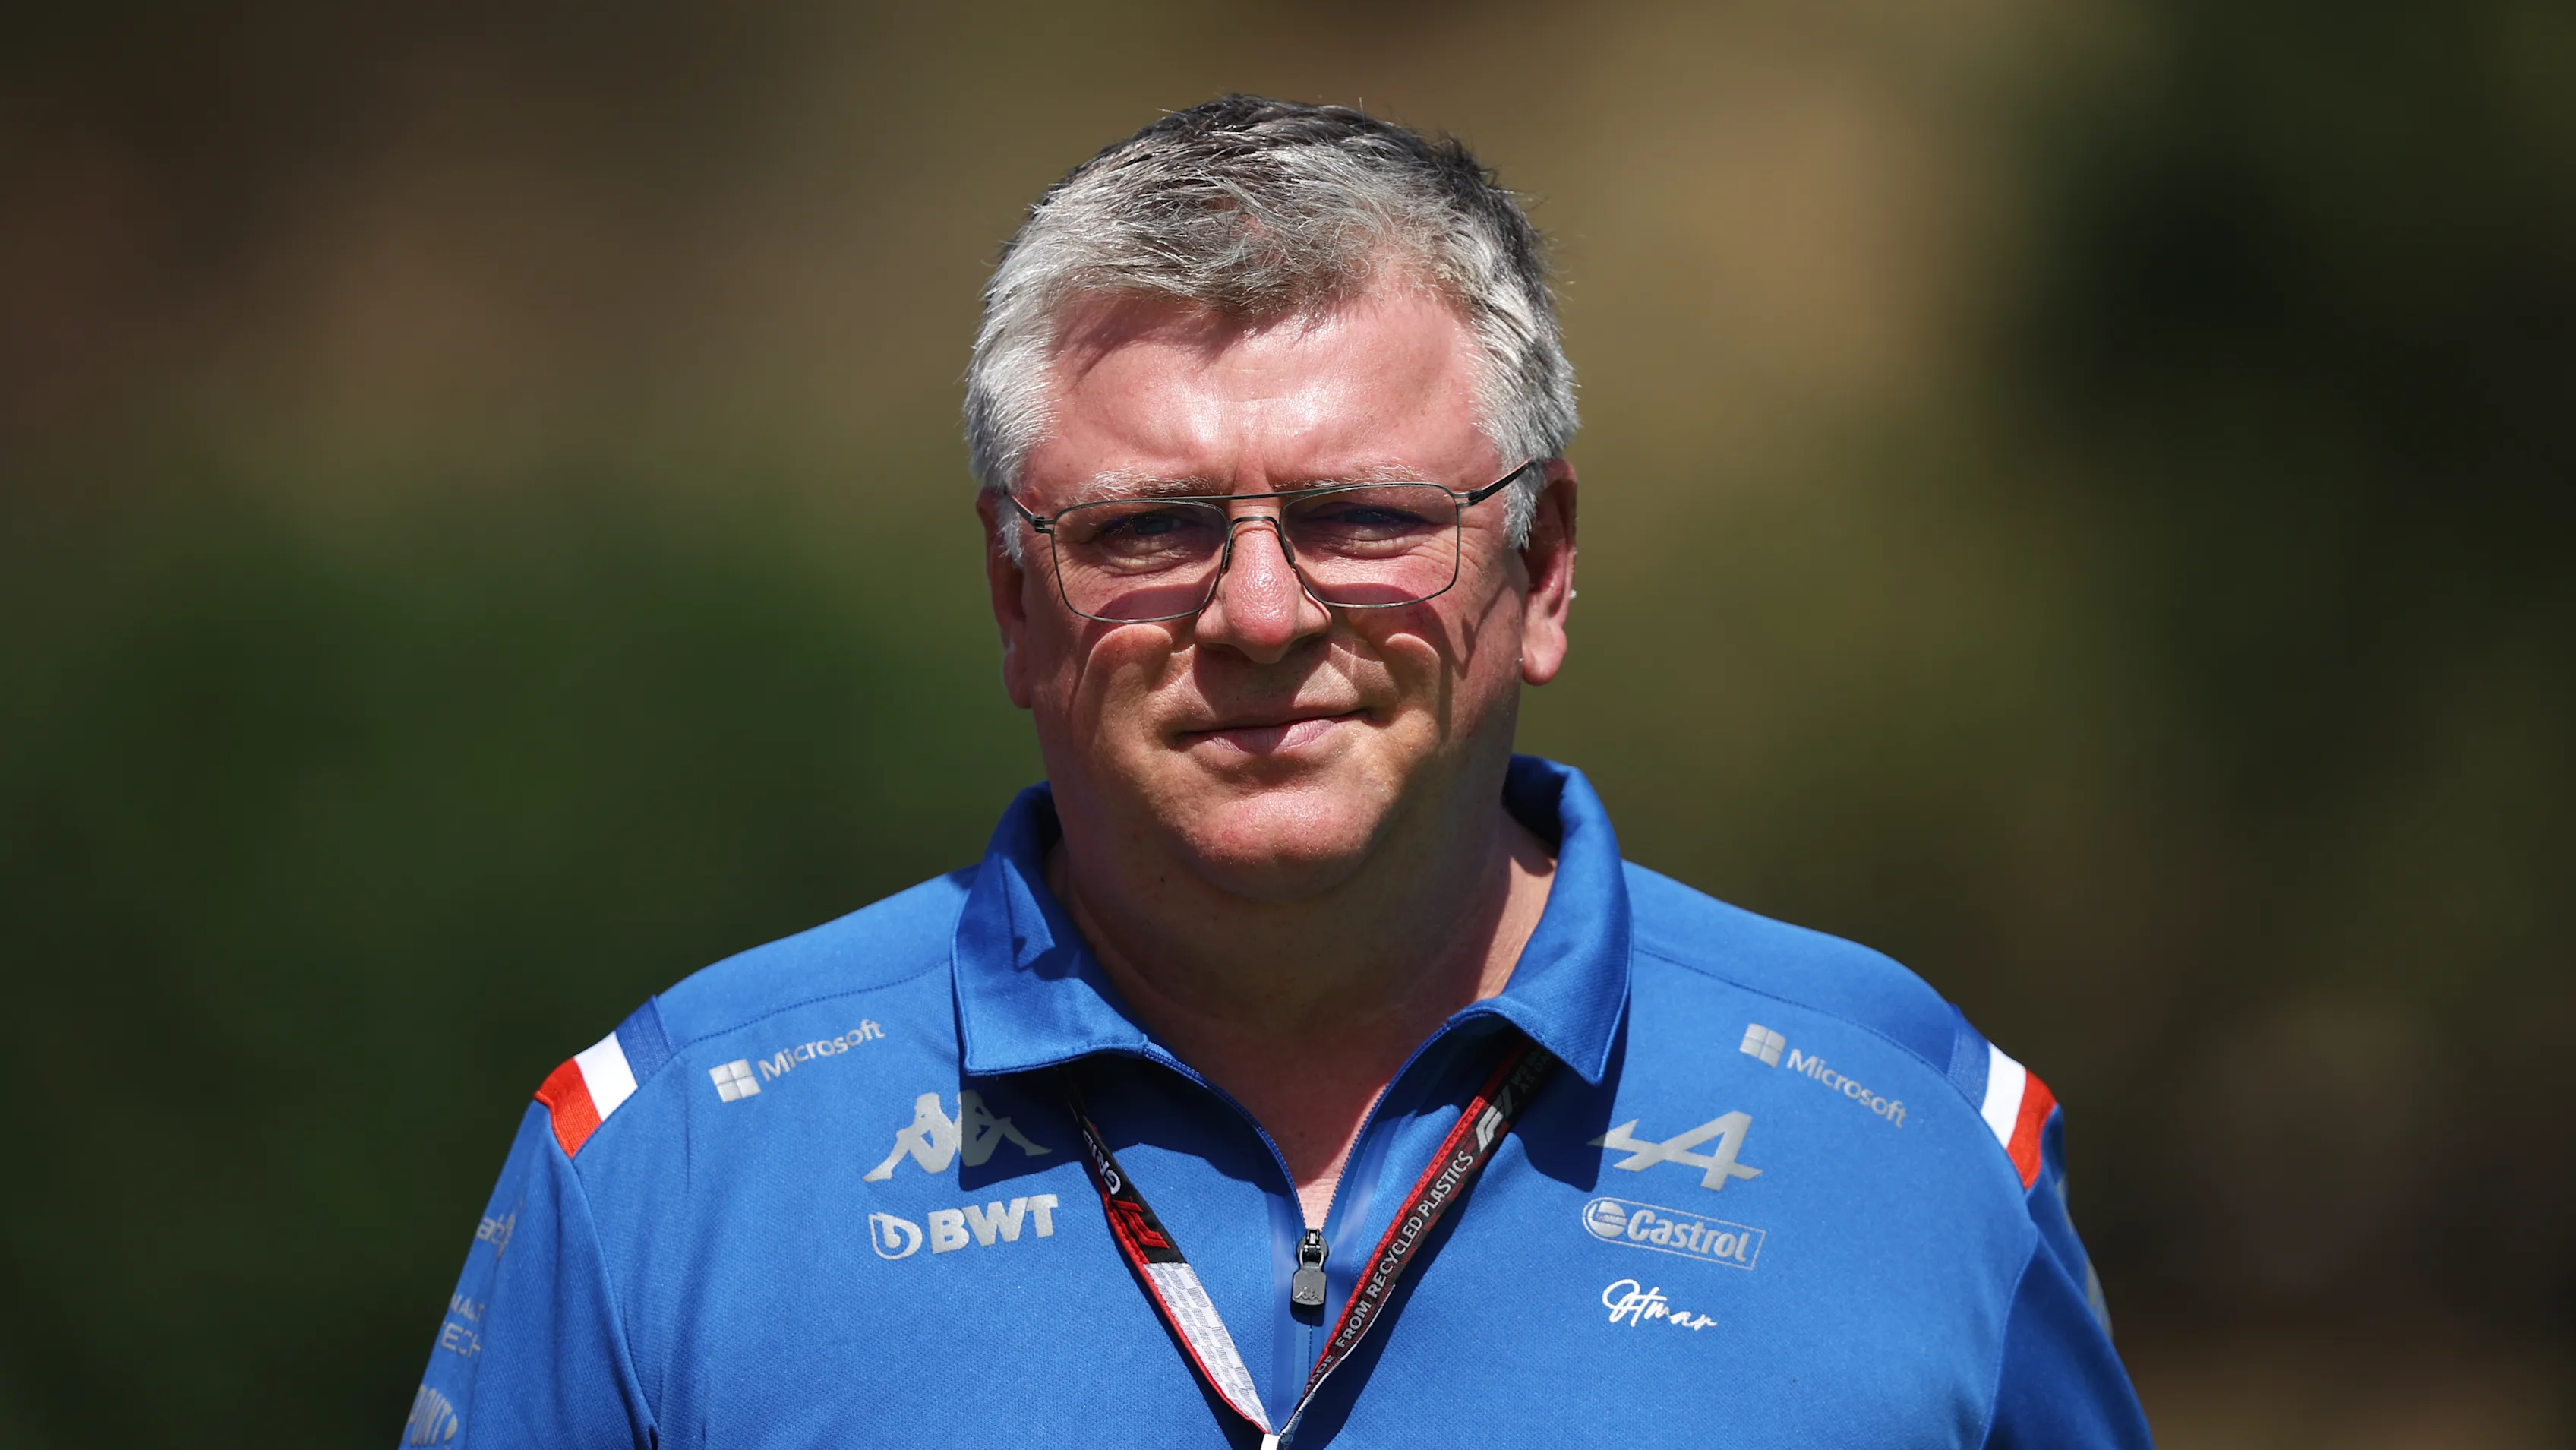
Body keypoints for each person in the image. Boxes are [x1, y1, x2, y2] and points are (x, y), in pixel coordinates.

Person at [405, 96, 2151, 1448]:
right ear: (1016, 603)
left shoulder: (1911, 1129)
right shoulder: (672, 1160)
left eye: (1363, 517)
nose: (1256, 611)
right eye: (1150, 527)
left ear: (1540, 570)